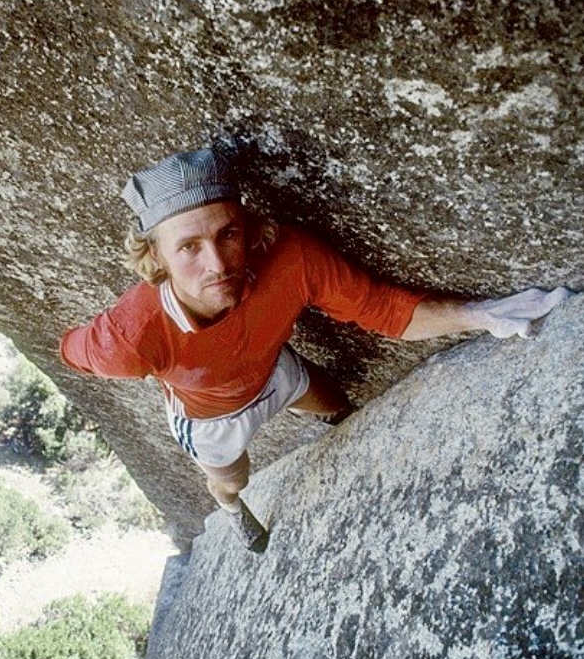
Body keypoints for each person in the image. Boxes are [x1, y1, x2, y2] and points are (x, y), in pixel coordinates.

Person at [60, 147, 572, 552]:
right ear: (156, 258)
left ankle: (325, 419)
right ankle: (236, 513)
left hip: (276, 372)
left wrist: (479, 314)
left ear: (246, 228)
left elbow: (382, 308)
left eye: (228, 233)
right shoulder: (130, 334)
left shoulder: (291, 259)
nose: (217, 263)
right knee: (232, 479)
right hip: (215, 419)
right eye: (189, 248)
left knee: (337, 403)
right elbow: (71, 350)